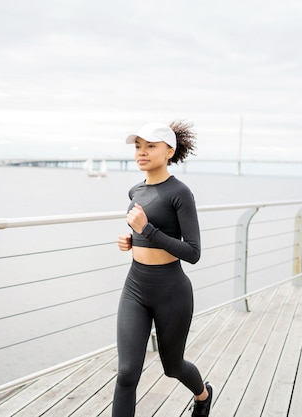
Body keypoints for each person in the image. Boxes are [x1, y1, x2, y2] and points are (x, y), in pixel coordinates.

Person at [112, 121, 213, 417]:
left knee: (173, 366)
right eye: (138, 147)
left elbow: (192, 253)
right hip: (135, 288)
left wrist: (148, 230)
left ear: (169, 151)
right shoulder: (135, 191)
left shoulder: (180, 193)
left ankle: (203, 395)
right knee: (127, 372)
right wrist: (131, 240)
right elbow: (143, 232)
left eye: (150, 146)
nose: (142, 152)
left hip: (171, 291)